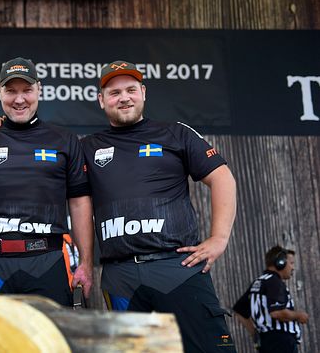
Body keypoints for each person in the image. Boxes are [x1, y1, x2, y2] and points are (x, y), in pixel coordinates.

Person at [80, 60, 238, 352]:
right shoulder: (87, 147)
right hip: (120, 275)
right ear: (101, 100)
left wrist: (219, 239)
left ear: (143, 92)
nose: (124, 97)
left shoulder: (176, 133)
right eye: (114, 92)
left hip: (177, 266)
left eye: (130, 89)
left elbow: (223, 179)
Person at [0, 57, 94, 306]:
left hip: (48, 260)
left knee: (48, 344)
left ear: (39, 89)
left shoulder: (64, 139)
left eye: (27, 90)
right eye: (11, 91)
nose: (19, 99)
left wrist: (86, 261)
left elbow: (80, 203)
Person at [234, 246, 308, 352]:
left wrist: (255, 334)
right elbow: (277, 313)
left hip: (266, 342)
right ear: (280, 263)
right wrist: (299, 315)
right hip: (281, 343)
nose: (293, 268)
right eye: (291, 263)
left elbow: (239, 311)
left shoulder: (259, 282)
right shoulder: (274, 282)